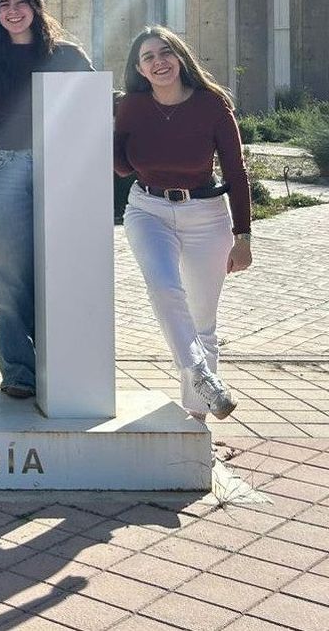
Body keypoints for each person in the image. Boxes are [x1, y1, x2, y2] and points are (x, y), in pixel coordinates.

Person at [0, 0, 92, 400]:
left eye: (20, 1)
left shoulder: (67, 55)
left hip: (61, 168)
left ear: (36, 6)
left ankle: (63, 363)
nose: (13, 11)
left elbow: (96, 103)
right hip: (11, 168)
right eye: (3, 4)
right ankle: (19, 371)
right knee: (9, 268)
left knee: (61, 264)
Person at [114, 26, 250, 420]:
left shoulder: (212, 105)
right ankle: (200, 374)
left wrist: (243, 236)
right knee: (164, 288)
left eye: (165, 52)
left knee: (203, 321)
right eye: (148, 57)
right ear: (139, 69)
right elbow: (121, 167)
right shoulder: (132, 107)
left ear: (179, 57)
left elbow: (236, 171)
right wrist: (109, 130)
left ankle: (198, 421)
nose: (159, 62)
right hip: (148, 210)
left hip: (206, 214)